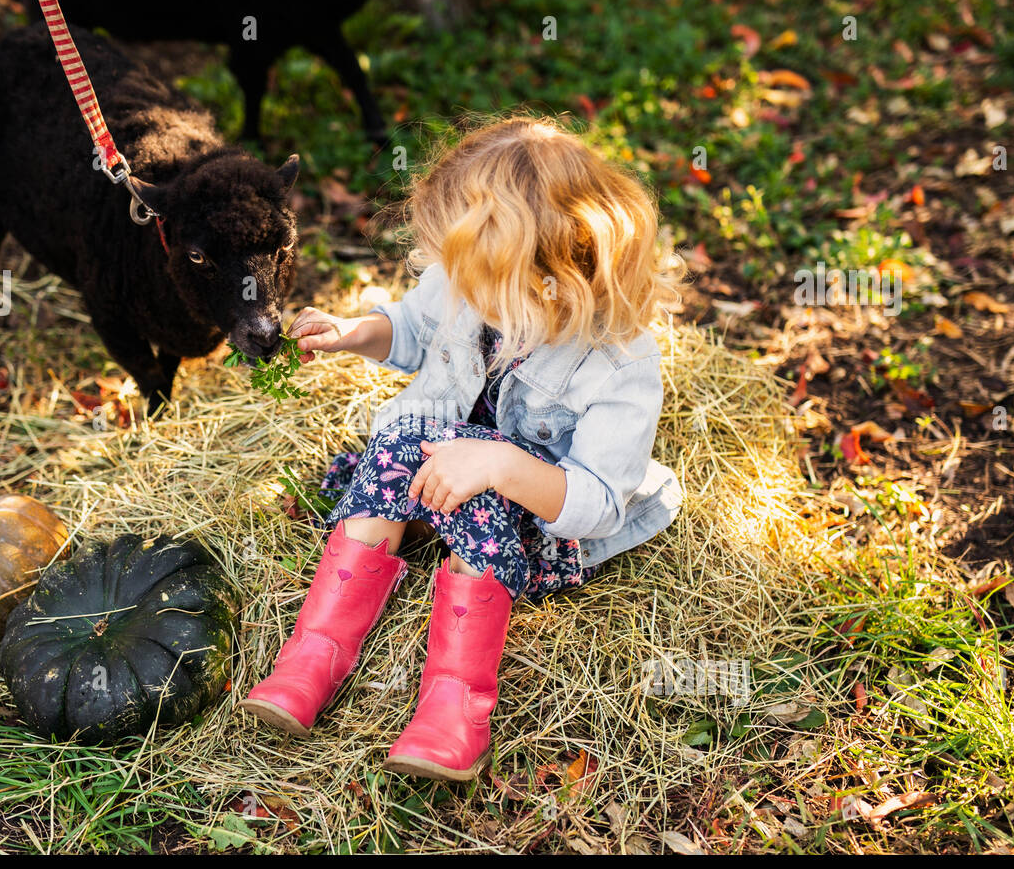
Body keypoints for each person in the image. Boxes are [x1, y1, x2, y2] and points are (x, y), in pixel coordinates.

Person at [240, 116, 684, 782]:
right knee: (403, 432)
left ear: (543, 279)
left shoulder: (619, 367)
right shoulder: (470, 278)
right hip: (431, 473)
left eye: (474, 281)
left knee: (466, 446)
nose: (457, 289)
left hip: (525, 530)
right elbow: (415, 327)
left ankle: (454, 706)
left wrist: (502, 464)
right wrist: (355, 332)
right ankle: (314, 655)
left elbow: (597, 503)